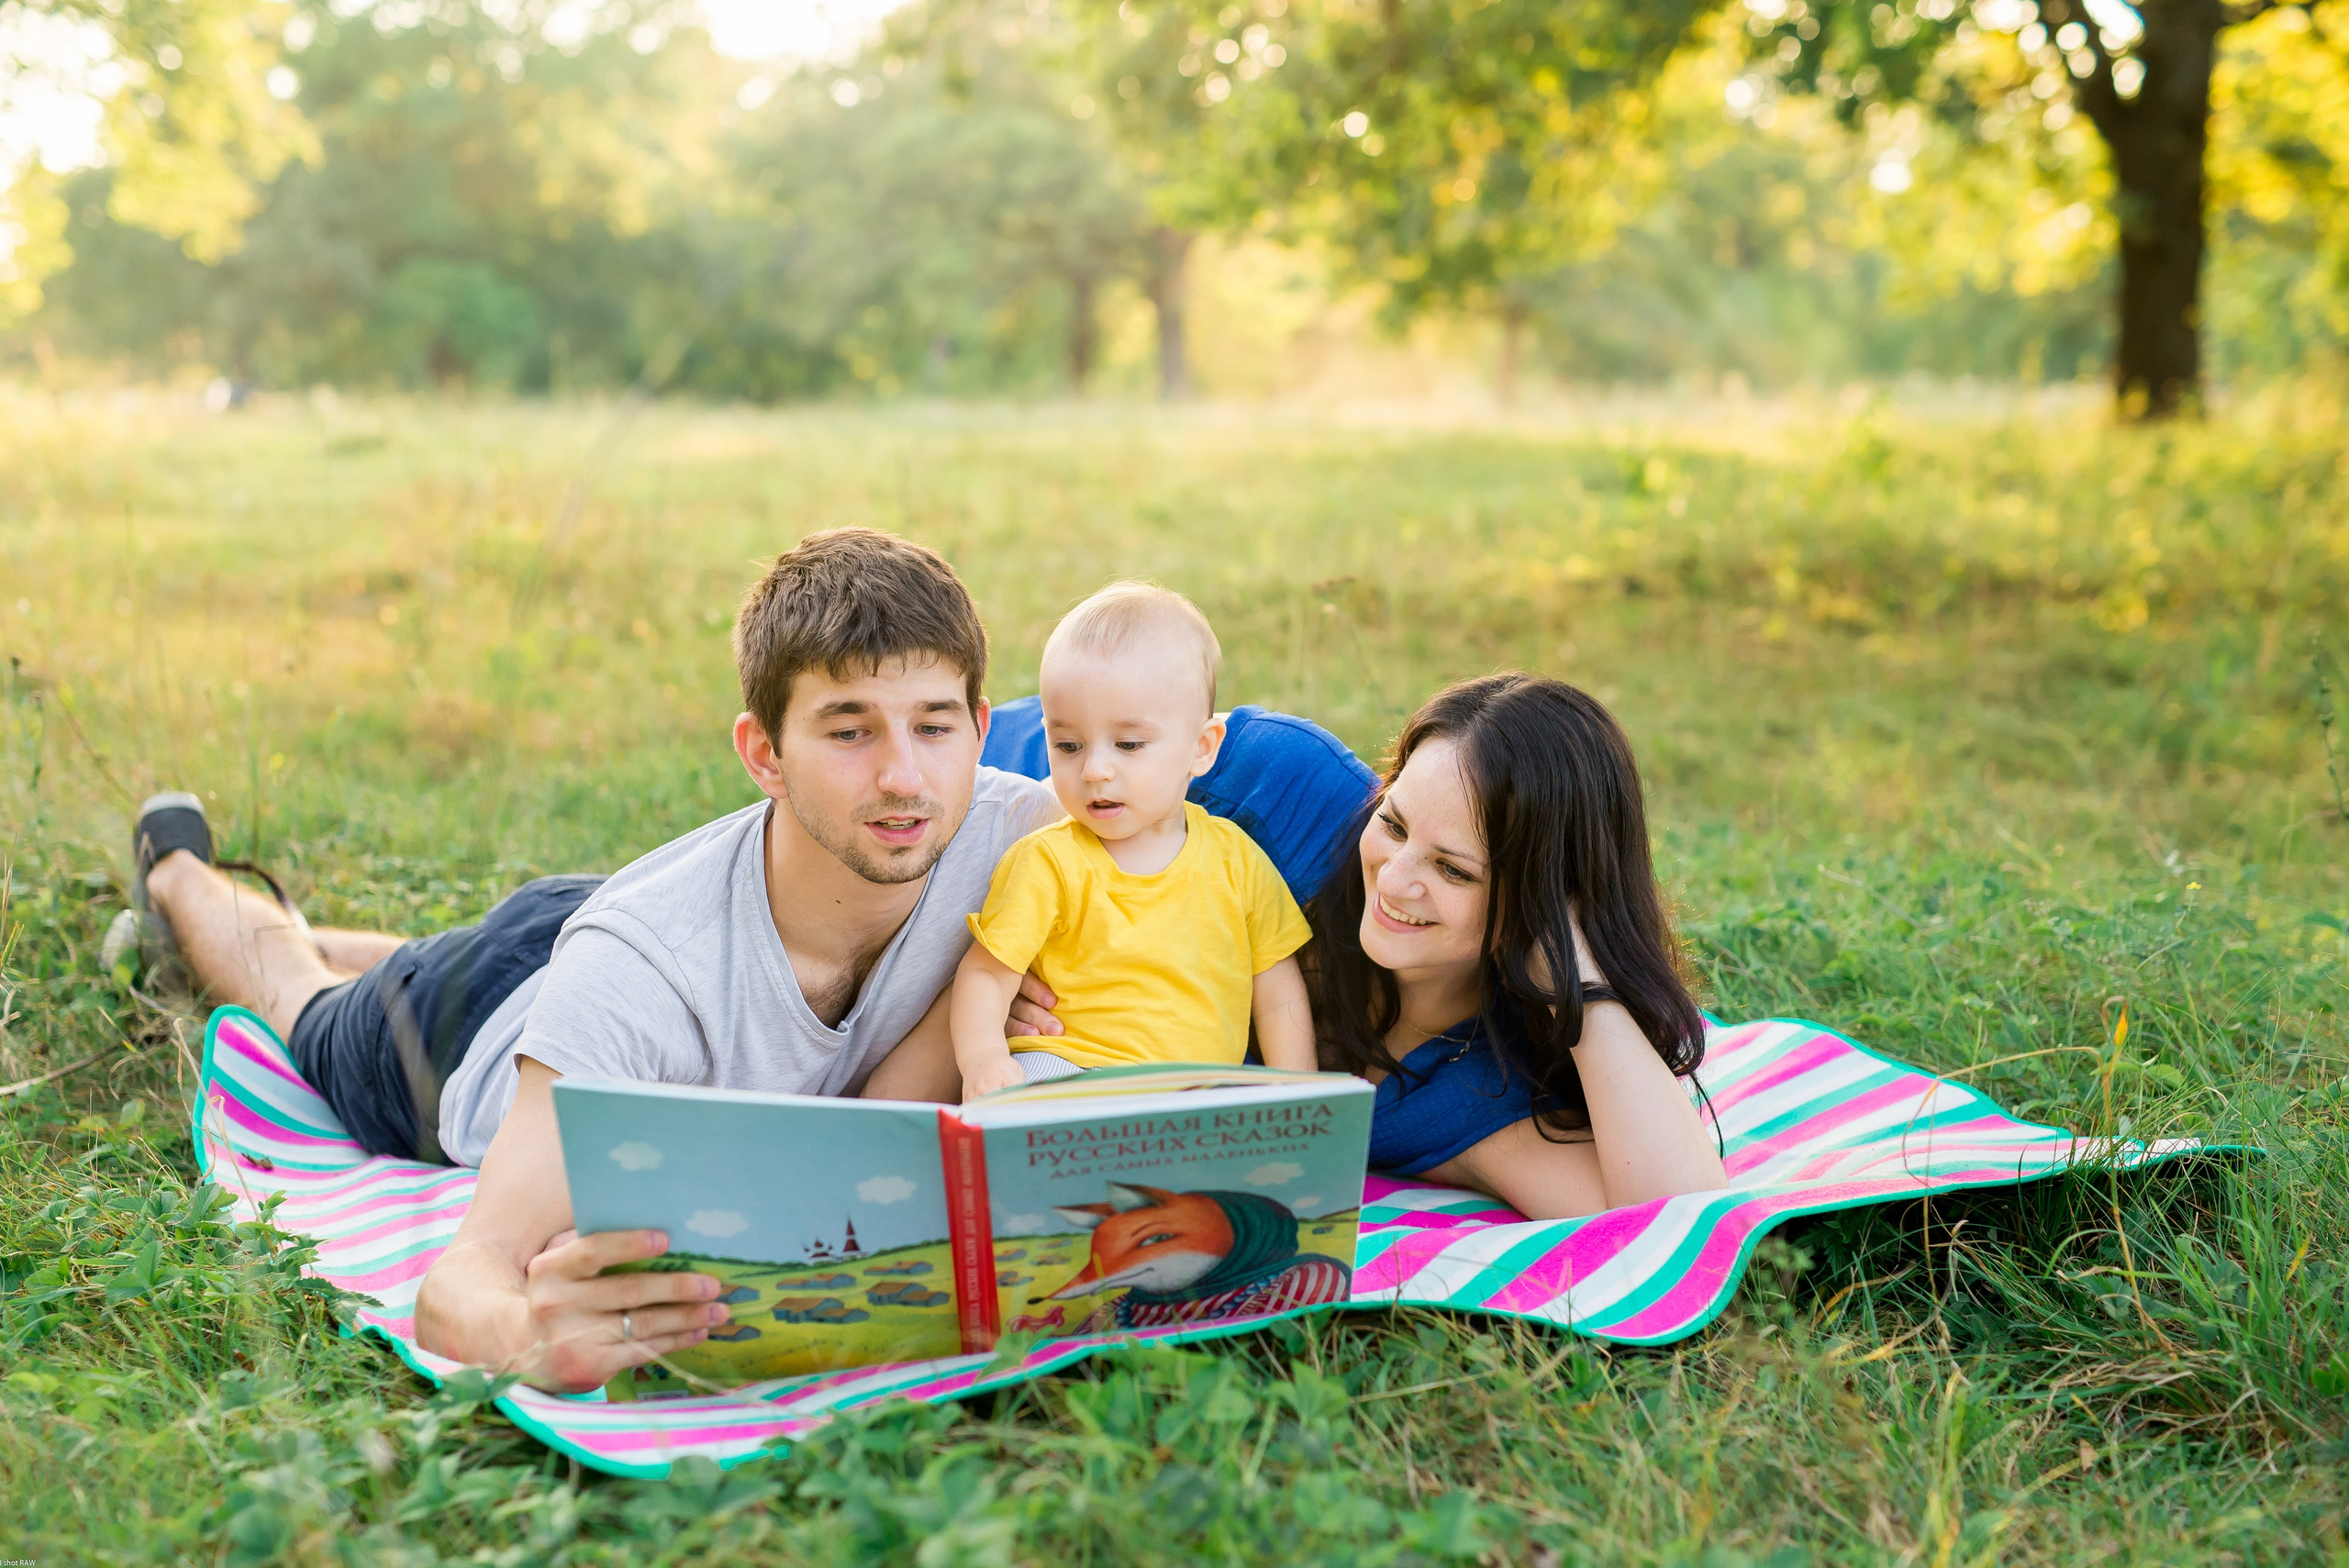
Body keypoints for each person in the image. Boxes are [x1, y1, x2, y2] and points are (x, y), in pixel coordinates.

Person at [122, 528, 1062, 1391]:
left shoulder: (1030, 837)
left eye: (934, 726)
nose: (903, 774)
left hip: (608, 915)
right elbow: (463, 1278)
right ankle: (177, 872)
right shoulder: (637, 970)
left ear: (981, 724)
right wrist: (529, 1335)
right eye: (850, 730)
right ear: (763, 753)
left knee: (522, 945)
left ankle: (342, 929)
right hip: (473, 1025)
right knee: (298, 990)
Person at [1302, 673, 1730, 1218]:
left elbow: (1683, 1219)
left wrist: (1577, 973)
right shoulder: (1293, 852)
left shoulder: (1483, 1091)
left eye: (1453, 869)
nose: (1392, 880)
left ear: (1540, 904)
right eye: (1392, 823)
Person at [948, 583, 1316, 1099]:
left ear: (1201, 748)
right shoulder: (1048, 860)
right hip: (1068, 1068)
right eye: (1069, 745)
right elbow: (987, 975)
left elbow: (1278, 996)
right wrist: (984, 1059)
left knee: (1229, 1150)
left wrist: (1299, 1095)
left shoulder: (1237, 861)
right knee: (1020, 1114)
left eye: (1128, 744)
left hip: (1191, 1088)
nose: (1096, 770)